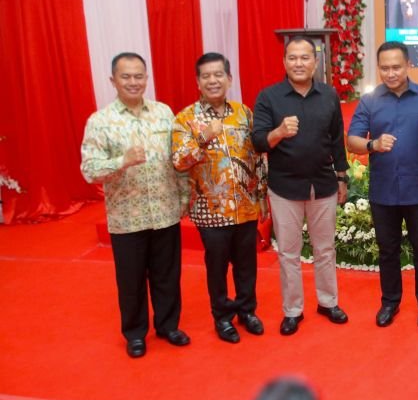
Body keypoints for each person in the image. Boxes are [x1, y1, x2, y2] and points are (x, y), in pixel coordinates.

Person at [80, 52, 190, 358]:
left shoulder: (164, 113)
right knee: (131, 280)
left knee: (168, 274)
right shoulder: (101, 121)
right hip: (127, 216)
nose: (133, 82)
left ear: (146, 78)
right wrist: (121, 161)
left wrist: (183, 197)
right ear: (113, 81)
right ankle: (135, 333)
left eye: (139, 76)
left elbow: (177, 159)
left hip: (165, 210)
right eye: (126, 77)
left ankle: (168, 326)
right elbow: (89, 170)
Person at [252, 36, 350, 336]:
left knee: (325, 249)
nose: (299, 63)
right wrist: (279, 132)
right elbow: (257, 142)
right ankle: (293, 310)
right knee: (289, 253)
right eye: (292, 58)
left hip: (323, 184)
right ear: (284, 62)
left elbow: (336, 139)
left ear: (315, 61)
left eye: (305, 57)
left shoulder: (329, 95)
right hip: (285, 187)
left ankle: (327, 301)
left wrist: (342, 176)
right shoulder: (269, 97)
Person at [347, 41, 418, 328]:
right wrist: (373, 144)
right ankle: (390, 302)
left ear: (408, 66)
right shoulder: (370, 101)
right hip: (384, 191)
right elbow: (352, 140)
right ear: (378, 68)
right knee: (388, 250)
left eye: (396, 67)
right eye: (384, 68)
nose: (390, 73)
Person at [172, 52, 268, 344]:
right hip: (210, 209)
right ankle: (222, 316)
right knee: (217, 265)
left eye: (218, 75)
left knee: (246, 263)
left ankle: (246, 310)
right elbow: (178, 161)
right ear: (198, 82)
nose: (213, 80)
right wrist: (204, 138)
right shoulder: (186, 119)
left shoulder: (244, 113)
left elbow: (257, 156)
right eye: (206, 76)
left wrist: (262, 195)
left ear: (229, 78)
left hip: (246, 205)